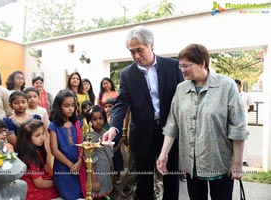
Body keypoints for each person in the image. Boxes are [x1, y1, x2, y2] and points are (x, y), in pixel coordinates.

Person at [156, 44, 249, 200]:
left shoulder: (226, 86)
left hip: (219, 163)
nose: (182, 70)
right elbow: (173, 124)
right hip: (191, 165)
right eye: (181, 66)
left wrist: (238, 163)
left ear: (202, 63)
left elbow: (238, 127)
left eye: (186, 66)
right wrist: (163, 154)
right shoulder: (181, 89)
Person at [103, 26, 184, 200]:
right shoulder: (127, 74)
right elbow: (121, 103)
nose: (136, 56)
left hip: (170, 133)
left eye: (139, 50)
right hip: (141, 135)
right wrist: (114, 128)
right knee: (144, 181)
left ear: (151, 45)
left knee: (171, 179)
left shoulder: (173, 66)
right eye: (132, 52)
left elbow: (183, 99)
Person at [49, 89, 86, 199]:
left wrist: (79, 162)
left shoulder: (78, 124)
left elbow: (83, 144)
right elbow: (54, 150)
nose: (70, 108)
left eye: (72, 105)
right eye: (66, 106)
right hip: (63, 168)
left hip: (79, 165)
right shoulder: (53, 126)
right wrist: (70, 165)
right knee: (69, 196)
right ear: (59, 107)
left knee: (81, 193)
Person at [16, 119, 59, 200]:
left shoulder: (35, 151)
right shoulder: (29, 158)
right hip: (32, 190)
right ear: (27, 138)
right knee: (63, 189)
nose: (42, 138)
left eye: (43, 134)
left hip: (37, 182)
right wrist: (58, 183)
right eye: (37, 135)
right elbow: (40, 183)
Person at [24, 86, 53, 173]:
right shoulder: (23, 111)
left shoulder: (42, 111)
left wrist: (47, 145)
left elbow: (46, 129)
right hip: (27, 142)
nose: (32, 99)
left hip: (40, 140)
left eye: (34, 96)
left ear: (38, 97)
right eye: (29, 97)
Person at [87, 105, 113, 199]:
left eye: (100, 118)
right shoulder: (90, 137)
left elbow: (109, 150)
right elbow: (89, 159)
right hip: (97, 171)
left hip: (106, 168)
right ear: (90, 121)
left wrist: (111, 163)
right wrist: (94, 180)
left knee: (106, 189)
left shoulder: (105, 133)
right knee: (98, 192)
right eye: (94, 119)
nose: (98, 121)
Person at [103, 98, 124, 185]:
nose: (107, 108)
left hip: (116, 145)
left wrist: (118, 146)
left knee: (117, 159)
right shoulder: (103, 119)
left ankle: (118, 175)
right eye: (106, 107)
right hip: (106, 145)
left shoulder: (118, 120)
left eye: (110, 106)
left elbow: (123, 136)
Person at [235, 79, 254, 167]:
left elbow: (251, 107)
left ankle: (244, 159)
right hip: (233, 121)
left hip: (243, 121)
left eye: (236, 85)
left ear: (240, 86)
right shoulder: (231, 95)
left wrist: (244, 114)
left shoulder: (246, 95)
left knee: (243, 140)